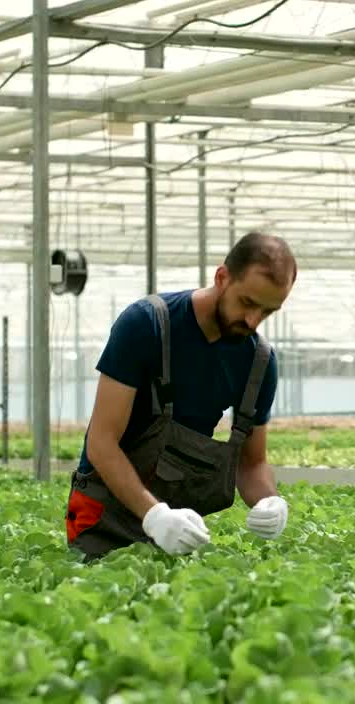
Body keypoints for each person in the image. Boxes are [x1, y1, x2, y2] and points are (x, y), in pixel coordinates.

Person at [66, 232, 295, 560]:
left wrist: (269, 501)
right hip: (104, 512)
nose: (252, 320)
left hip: (178, 522)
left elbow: (252, 462)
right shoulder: (147, 324)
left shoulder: (258, 362)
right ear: (222, 277)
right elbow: (102, 441)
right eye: (246, 302)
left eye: (267, 311)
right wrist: (154, 515)